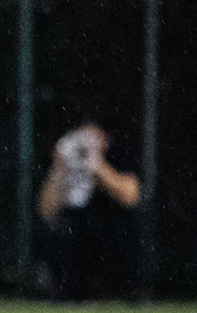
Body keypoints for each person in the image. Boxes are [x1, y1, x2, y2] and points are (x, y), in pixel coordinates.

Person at [38, 121, 141, 301]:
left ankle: (125, 291)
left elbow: (131, 196)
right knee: (59, 230)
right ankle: (66, 293)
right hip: (77, 241)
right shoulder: (66, 161)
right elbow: (46, 210)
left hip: (111, 236)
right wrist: (60, 168)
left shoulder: (117, 156)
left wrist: (98, 167)